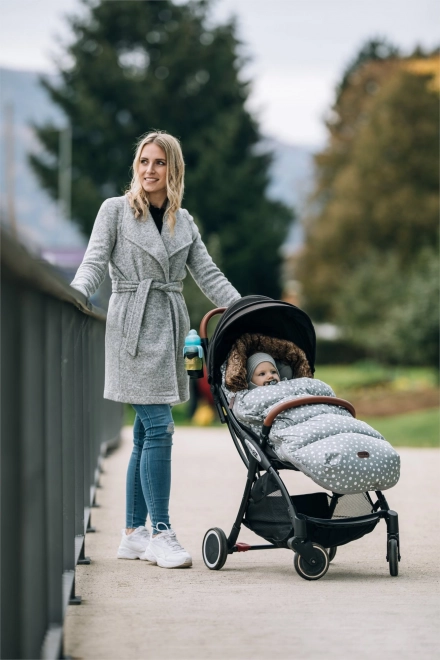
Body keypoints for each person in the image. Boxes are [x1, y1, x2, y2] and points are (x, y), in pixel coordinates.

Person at [70, 131, 240, 568]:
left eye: (159, 162)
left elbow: (209, 274)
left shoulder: (184, 221)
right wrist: (75, 296)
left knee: (147, 433)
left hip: (169, 327)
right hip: (130, 328)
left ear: (173, 169)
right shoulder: (115, 210)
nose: (149, 169)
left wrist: (245, 309)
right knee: (160, 428)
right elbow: (93, 263)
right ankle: (161, 532)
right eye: (144, 161)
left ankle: (133, 533)